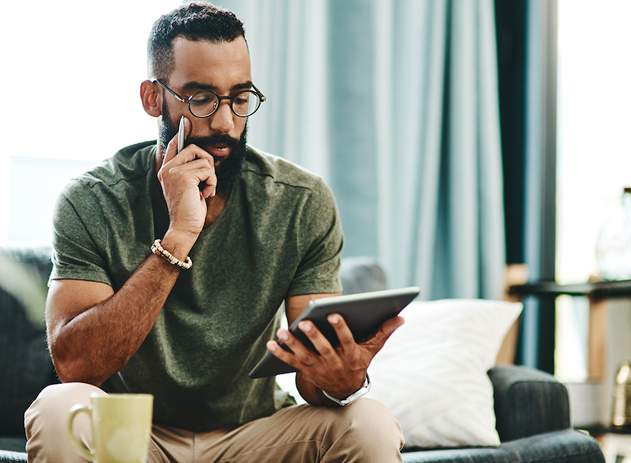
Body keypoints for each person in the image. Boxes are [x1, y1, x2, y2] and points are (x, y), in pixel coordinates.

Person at [24, 2, 405, 461]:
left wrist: (342, 378)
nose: (225, 122)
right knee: (59, 408)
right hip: (134, 438)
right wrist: (179, 235)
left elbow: (313, 384)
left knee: (369, 423)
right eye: (200, 99)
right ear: (152, 98)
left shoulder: (300, 200)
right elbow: (75, 367)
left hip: (253, 436)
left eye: (240, 98)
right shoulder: (92, 199)